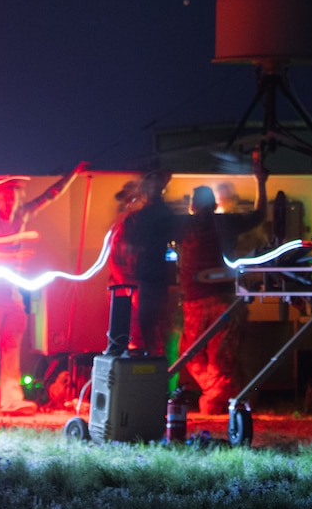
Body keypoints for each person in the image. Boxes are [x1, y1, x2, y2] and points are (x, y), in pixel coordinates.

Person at [0, 163, 83, 414]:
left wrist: (72, 175)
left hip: (12, 293)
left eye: (14, 196)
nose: (10, 201)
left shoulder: (22, 216)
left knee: (11, 347)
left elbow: (48, 197)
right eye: (5, 196)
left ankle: (10, 399)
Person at [175, 154, 269, 415]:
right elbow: (260, 214)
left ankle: (217, 398)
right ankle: (222, 397)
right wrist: (260, 182)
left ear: (193, 205)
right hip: (225, 301)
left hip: (195, 300)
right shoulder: (225, 222)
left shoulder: (185, 224)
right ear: (214, 204)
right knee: (222, 355)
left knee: (190, 353)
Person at [108, 170, 179, 356]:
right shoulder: (134, 220)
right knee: (145, 334)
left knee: (144, 334)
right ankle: (147, 370)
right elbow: (120, 256)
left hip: (138, 284)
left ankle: (146, 370)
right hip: (137, 285)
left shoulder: (134, 220)